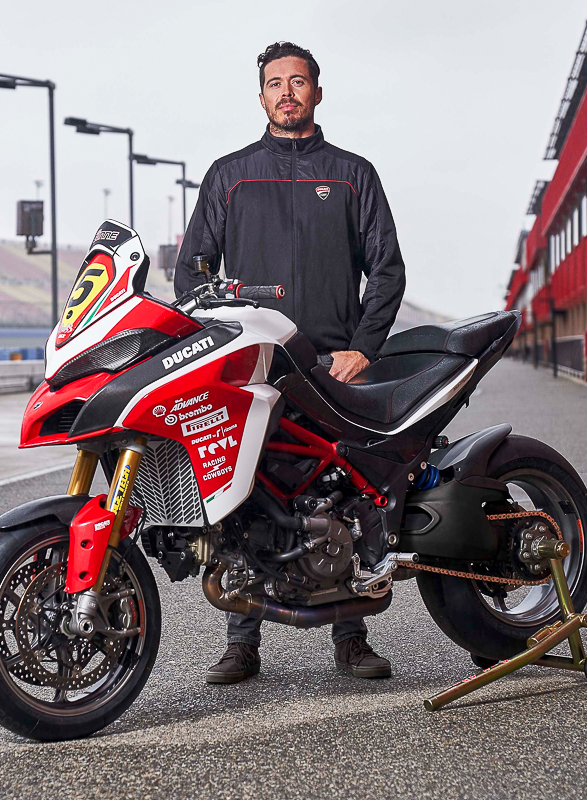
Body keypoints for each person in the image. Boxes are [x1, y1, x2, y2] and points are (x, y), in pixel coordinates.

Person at [174, 41, 407, 685]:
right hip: (252, 362)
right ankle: (241, 640)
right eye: (275, 83)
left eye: (297, 82)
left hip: (333, 366)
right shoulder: (229, 175)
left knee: (342, 494)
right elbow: (192, 271)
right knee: (241, 495)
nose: (286, 93)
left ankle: (352, 635)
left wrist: (363, 347)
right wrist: (217, 340)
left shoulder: (354, 174)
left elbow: (387, 270)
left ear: (317, 93)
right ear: (260, 97)